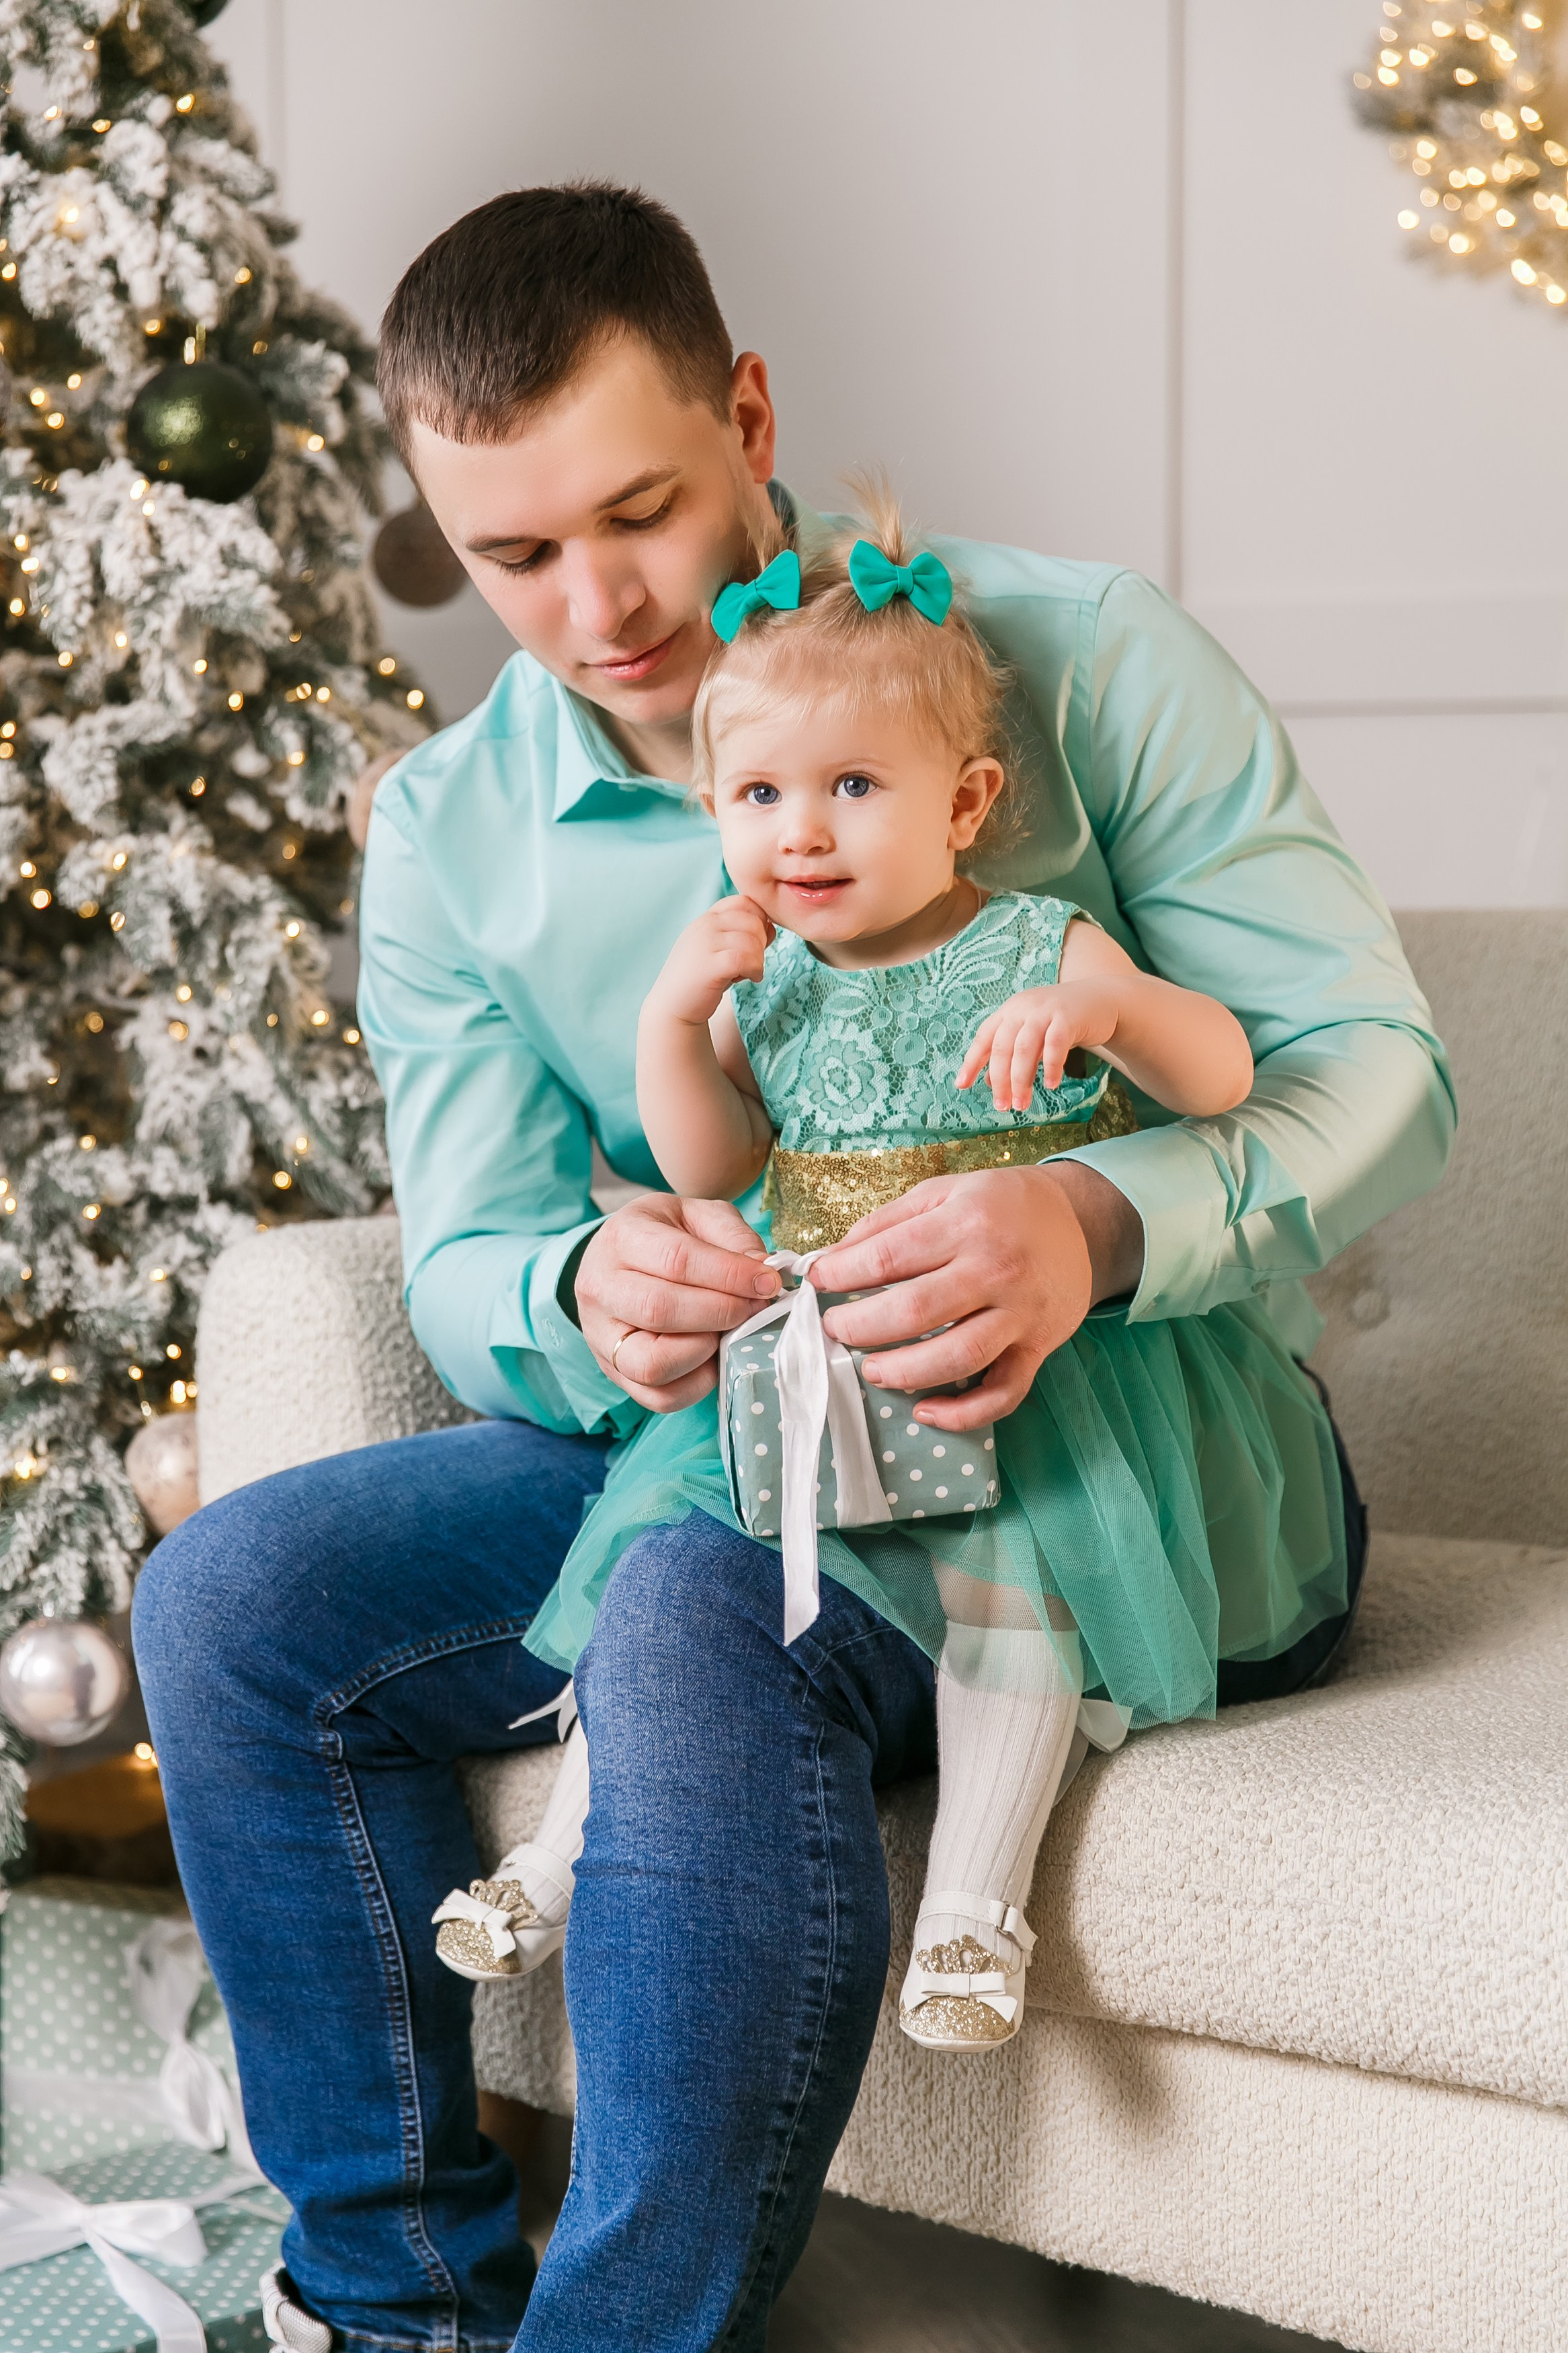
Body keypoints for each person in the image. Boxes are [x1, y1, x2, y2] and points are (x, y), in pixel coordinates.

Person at [133, 182, 1454, 2353]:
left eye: (636, 512)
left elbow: (1369, 1071)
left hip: (1119, 1453)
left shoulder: (1080, 656)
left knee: (685, 1604)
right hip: (743, 1423)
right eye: (512, 559)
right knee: (232, 1606)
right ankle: (392, 2310)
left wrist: (1102, 1223)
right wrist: (582, 1299)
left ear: (748, 411)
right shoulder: (453, 832)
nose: (597, 606)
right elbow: (465, 1247)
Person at [429, 483, 1342, 2067]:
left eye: (854, 786)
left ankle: (977, 1914)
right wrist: (672, 1023)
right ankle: (544, 1869)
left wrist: (1113, 1014)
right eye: (760, 794)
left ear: (967, 799)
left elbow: (1223, 1071)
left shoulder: (1033, 945)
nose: (802, 832)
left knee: (1016, 1589)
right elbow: (707, 1163)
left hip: (1029, 1375)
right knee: (657, 1569)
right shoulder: (770, 983)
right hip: (820, 1370)